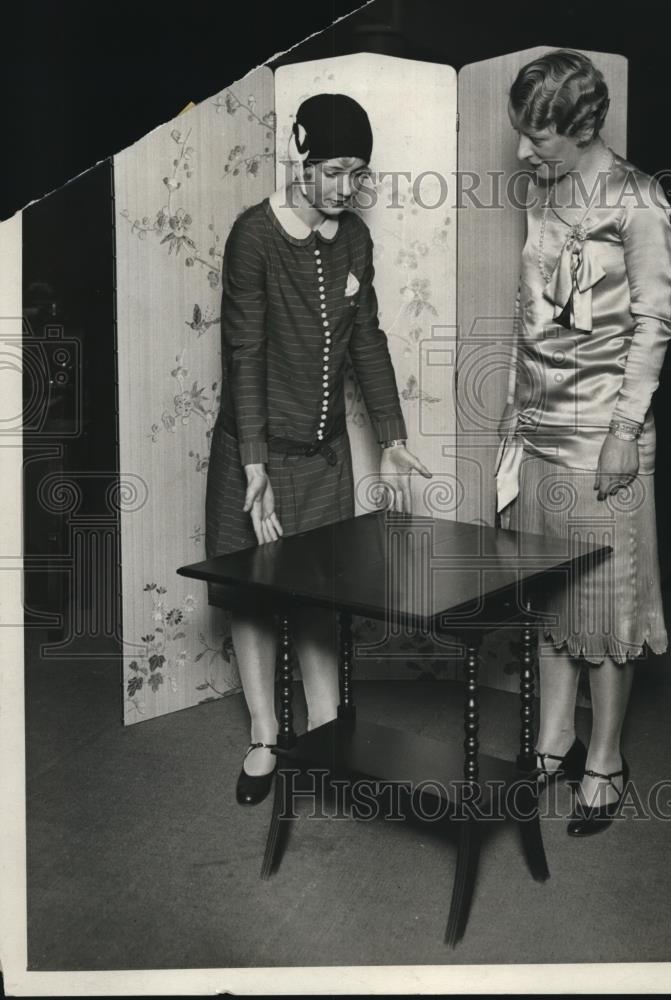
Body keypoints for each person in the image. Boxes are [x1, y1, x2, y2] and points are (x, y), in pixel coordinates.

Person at [205, 93, 431, 805]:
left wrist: (391, 437)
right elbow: (244, 352)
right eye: (331, 169)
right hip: (258, 454)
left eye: (355, 172)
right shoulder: (254, 236)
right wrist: (254, 463)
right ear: (298, 157)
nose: (342, 187)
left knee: (318, 596)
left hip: (326, 456)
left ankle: (329, 728)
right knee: (251, 594)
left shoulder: (355, 238)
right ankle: (266, 736)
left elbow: (367, 340)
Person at [495, 50, 671, 835]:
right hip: (538, 431)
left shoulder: (639, 201)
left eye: (538, 138)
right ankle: (554, 738)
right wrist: (512, 411)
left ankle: (604, 757)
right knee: (551, 601)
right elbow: (530, 311)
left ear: (583, 125)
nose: (524, 153)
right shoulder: (545, 191)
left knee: (606, 609)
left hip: (604, 434)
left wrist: (623, 432)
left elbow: (653, 324)